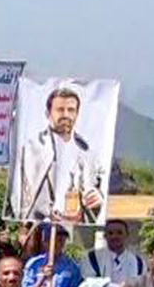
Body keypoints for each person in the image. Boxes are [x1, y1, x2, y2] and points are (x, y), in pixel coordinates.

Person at [13, 83, 106, 223]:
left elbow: (97, 192)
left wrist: (97, 199)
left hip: (74, 228)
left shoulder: (87, 153)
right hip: (39, 228)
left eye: (71, 110)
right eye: (60, 110)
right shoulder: (30, 150)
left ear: (77, 114)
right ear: (48, 114)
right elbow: (19, 197)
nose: (66, 115)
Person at [84, 219, 144, 284]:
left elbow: (142, 286)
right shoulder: (92, 259)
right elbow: (88, 285)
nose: (114, 236)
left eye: (119, 233)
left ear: (127, 235)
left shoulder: (138, 262)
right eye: (110, 233)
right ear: (105, 236)